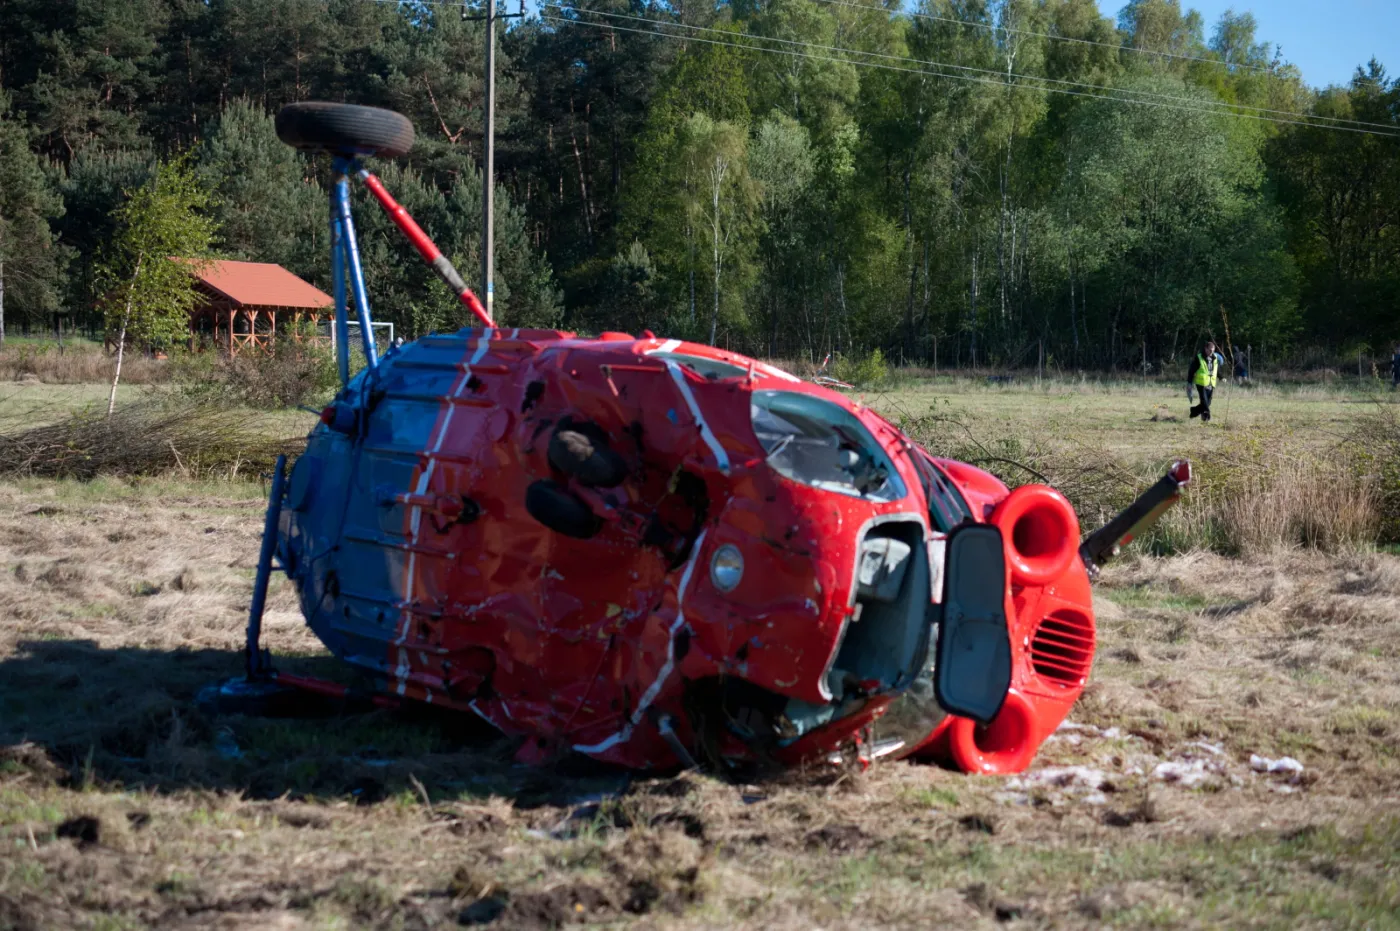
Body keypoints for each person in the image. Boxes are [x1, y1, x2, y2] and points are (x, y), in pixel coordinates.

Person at [1188, 341, 1219, 422]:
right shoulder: (1199, 358)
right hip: (1201, 383)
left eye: (1213, 350)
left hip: (1211, 383)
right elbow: (1191, 371)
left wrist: (1221, 377)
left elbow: (1215, 370)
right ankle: (1206, 418)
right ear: (1205, 348)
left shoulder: (1215, 357)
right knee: (1204, 401)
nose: (1211, 352)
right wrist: (1189, 383)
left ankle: (1194, 411)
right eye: (1210, 350)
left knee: (1208, 402)